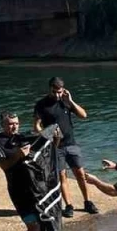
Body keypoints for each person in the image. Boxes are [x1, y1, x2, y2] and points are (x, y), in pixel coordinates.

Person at [34, 76, 95, 219]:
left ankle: (88, 202)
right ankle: (69, 205)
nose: (57, 95)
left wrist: (70, 101)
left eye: (59, 92)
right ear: (49, 89)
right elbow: (36, 125)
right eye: (54, 92)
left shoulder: (65, 101)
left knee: (80, 172)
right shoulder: (41, 104)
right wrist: (46, 133)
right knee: (62, 175)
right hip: (55, 146)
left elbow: (83, 115)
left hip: (71, 143)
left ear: (63, 90)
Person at [0, 111, 43, 231]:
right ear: (3, 125)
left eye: (16, 123)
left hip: (36, 188)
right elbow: (4, 165)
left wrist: (53, 133)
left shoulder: (23, 138)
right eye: (10, 124)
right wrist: (19, 155)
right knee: (33, 227)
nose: (14, 127)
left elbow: (45, 143)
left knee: (45, 223)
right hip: (18, 191)